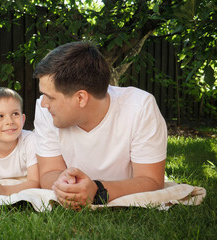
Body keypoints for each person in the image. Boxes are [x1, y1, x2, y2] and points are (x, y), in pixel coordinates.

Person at [33, 41, 167, 208]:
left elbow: (152, 180)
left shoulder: (140, 107)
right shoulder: (45, 110)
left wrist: (98, 190)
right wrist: (66, 186)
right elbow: (48, 172)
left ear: (81, 98)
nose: (44, 103)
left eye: (50, 97)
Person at [0, 87, 39, 196]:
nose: (9, 121)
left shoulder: (30, 140)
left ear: (23, 120)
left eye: (15, 114)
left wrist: (4, 191)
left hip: (23, 184)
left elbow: (36, 183)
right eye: (0, 116)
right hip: (0, 184)